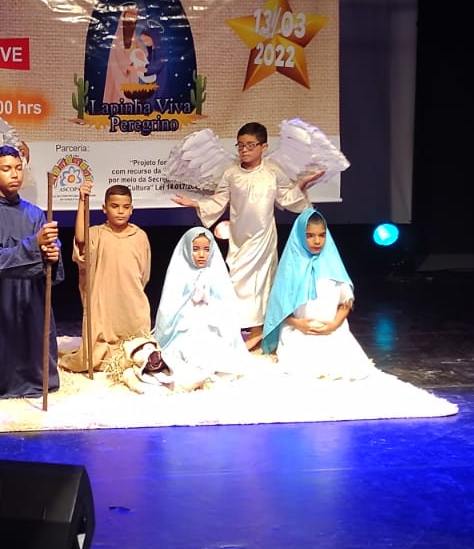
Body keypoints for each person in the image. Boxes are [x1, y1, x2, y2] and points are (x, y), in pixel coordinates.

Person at [171, 122, 321, 347]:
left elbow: (288, 197)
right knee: (235, 282)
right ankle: (235, 328)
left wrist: (302, 184)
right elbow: (218, 200)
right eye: (240, 145)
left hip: (263, 238)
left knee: (259, 284)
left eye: (250, 145)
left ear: (264, 147)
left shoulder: (272, 172)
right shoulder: (232, 173)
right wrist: (195, 204)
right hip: (239, 240)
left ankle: (257, 330)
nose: (244, 150)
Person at [0, 146, 63, 400]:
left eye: (18, 168)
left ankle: (36, 380)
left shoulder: (35, 213)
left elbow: (50, 253)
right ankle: (0, 385)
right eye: (7, 169)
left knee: (36, 340)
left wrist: (52, 254)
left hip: (31, 295)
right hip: (0, 299)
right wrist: (35, 244)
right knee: (0, 350)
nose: (14, 174)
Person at [263, 209, 387, 382]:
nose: (317, 241)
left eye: (322, 235)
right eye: (309, 236)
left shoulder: (333, 265)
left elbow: (346, 302)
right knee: (301, 370)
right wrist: (299, 324)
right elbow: (278, 309)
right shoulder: (290, 269)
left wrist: (333, 325)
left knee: (350, 368)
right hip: (300, 332)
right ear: (299, 237)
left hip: (333, 331)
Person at [61, 182, 153, 373]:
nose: (120, 211)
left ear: (132, 209)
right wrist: (82, 201)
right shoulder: (96, 233)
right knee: (93, 350)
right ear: (104, 208)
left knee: (138, 346)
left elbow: (144, 272)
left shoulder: (139, 236)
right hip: (103, 299)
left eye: (125, 207)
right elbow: (81, 240)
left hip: (132, 300)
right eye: (115, 206)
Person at [152, 227, 253, 390]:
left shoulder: (215, 271)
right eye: (195, 249)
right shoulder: (179, 272)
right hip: (185, 327)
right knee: (182, 352)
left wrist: (210, 304)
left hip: (211, 324)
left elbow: (226, 303)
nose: (201, 254)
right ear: (187, 249)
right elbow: (170, 307)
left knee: (219, 351)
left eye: (206, 249)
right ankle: (194, 374)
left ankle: (207, 371)